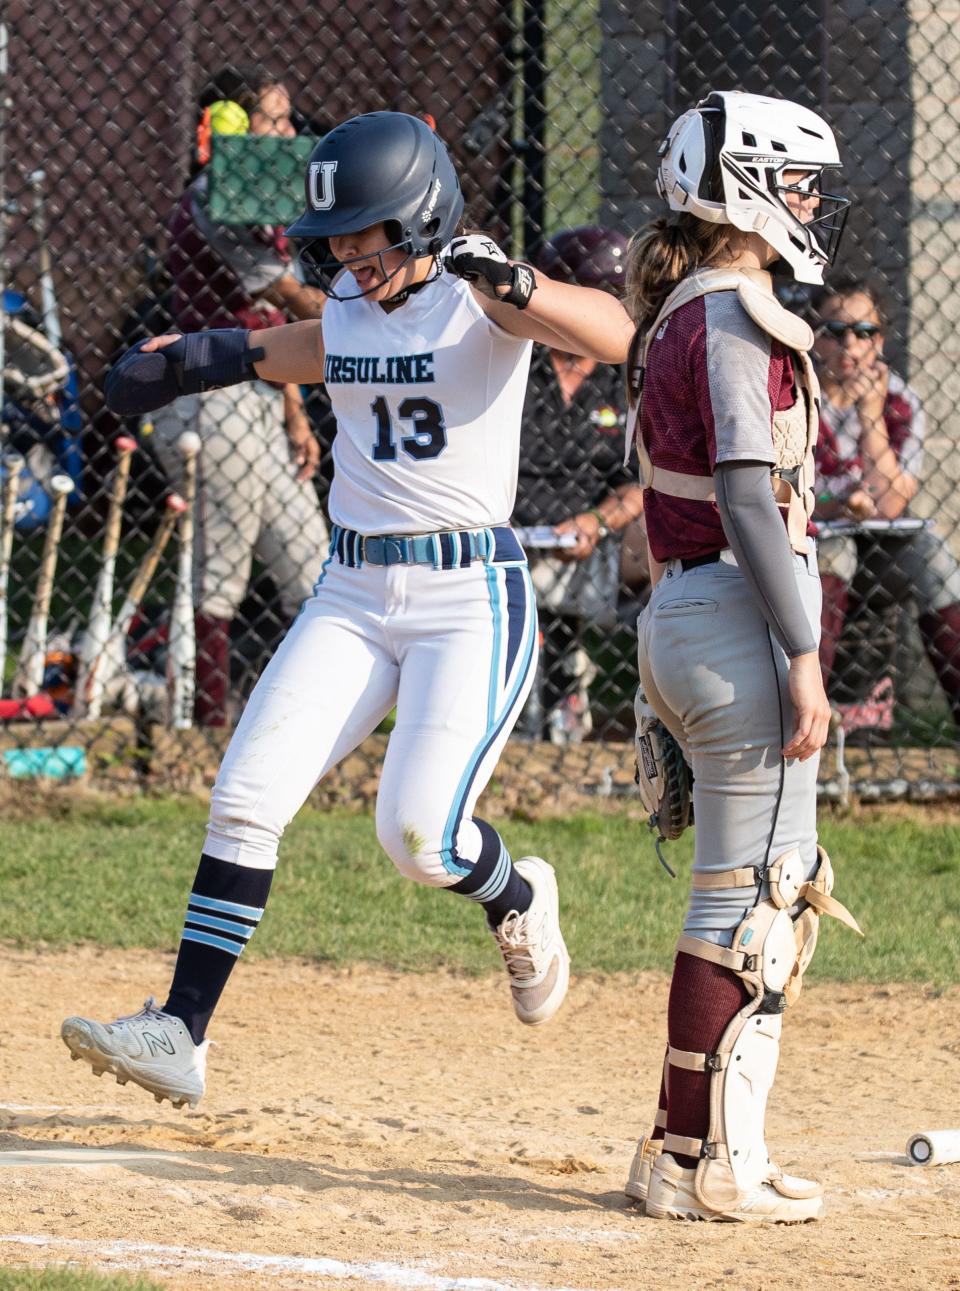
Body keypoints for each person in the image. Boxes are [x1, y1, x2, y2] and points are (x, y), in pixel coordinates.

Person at [60, 111, 635, 1110]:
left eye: (368, 241)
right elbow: (326, 349)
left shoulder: (476, 289)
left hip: (468, 596)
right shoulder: (358, 300)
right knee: (246, 794)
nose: (349, 260)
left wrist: (523, 289)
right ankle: (179, 1033)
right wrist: (207, 356)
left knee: (418, 836)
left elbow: (620, 336)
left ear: (422, 220)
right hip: (355, 590)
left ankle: (515, 891)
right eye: (339, 244)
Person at [621, 90, 861, 1223]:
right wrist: (805, 652)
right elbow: (748, 500)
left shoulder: (684, 302)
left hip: (689, 609)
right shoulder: (730, 308)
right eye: (798, 181)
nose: (811, 202)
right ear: (749, 184)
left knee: (739, 895)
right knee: (758, 903)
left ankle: (678, 1152)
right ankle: (717, 1160)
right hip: (733, 614)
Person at [148, 65, 329, 725]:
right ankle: (206, 722)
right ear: (232, 128)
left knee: (315, 565)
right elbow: (292, 300)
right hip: (211, 394)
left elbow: (274, 332)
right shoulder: (214, 199)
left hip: (261, 395)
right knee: (219, 569)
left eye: (288, 119)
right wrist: (374, 308)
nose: (288, 133)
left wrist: (295, 411)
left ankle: (309, 718)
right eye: (274, 120)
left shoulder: (263, 205)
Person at [512, 226, 645, 742]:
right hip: (507, 533)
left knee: (670, 533)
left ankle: (658, 699)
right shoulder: (515, 358)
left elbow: (636, 484)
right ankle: (538, 678)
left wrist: (595, 521)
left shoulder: (621, 373)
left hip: (591, 539)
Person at [811, 278, 960, 726]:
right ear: (814, 337)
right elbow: (776, 491)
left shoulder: (898, 401)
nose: (850, 345)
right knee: (835, 550)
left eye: (864, 332)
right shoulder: (792, 391)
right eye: (836, 332)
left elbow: (891, 503)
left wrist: (870, 415)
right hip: (810, 546)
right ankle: (802, 714)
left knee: (934, 558)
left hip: (879, 550)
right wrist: (837, 506)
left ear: (881, 339)